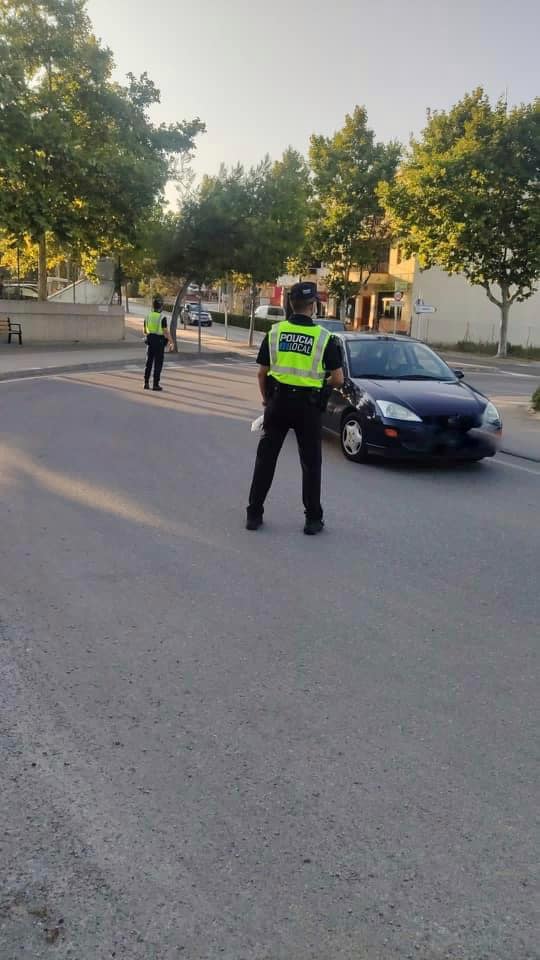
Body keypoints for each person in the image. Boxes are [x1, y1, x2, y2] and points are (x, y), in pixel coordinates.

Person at [246, 282, 344, 535]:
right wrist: (318, 384)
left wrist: (267, 400)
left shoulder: (275, 332)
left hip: (277, 403)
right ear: (313, 306)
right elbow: (338, 379)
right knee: (311, 464)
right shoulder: (325, 338)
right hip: (308, 408)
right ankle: (312, 519)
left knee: (265, 460)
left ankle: (254, 514)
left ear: (290, 304)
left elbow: (261, 373)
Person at [144, 296, 170, 391]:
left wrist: (150, 336)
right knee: (158, 364)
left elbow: (145, 331)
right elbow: (166, 332)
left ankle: (146, 383)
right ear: (161, 307)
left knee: (149, 362)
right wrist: (171, 342)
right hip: (159, 342)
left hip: (150, 340)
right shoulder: (162, 317)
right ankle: (155, 384)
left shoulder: (148, 316)